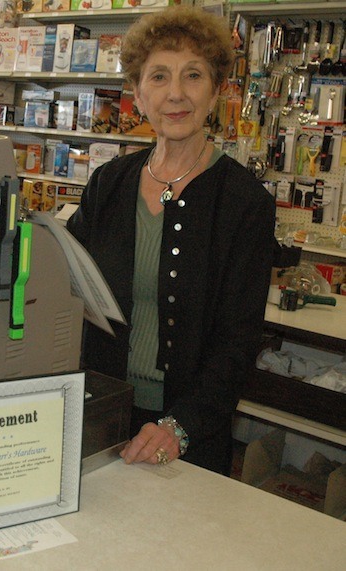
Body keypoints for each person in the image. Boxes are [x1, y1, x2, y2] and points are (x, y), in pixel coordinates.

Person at [66, 6, 276, 475]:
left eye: (193, 75)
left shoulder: (244, 203)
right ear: (137, 94)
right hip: (101, 415)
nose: (176, 94)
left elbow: (238, 342)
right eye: (159, 77)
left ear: (217, 90)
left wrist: (179, 427)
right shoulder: (108, 184)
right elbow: (69, 289)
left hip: (187, 436)